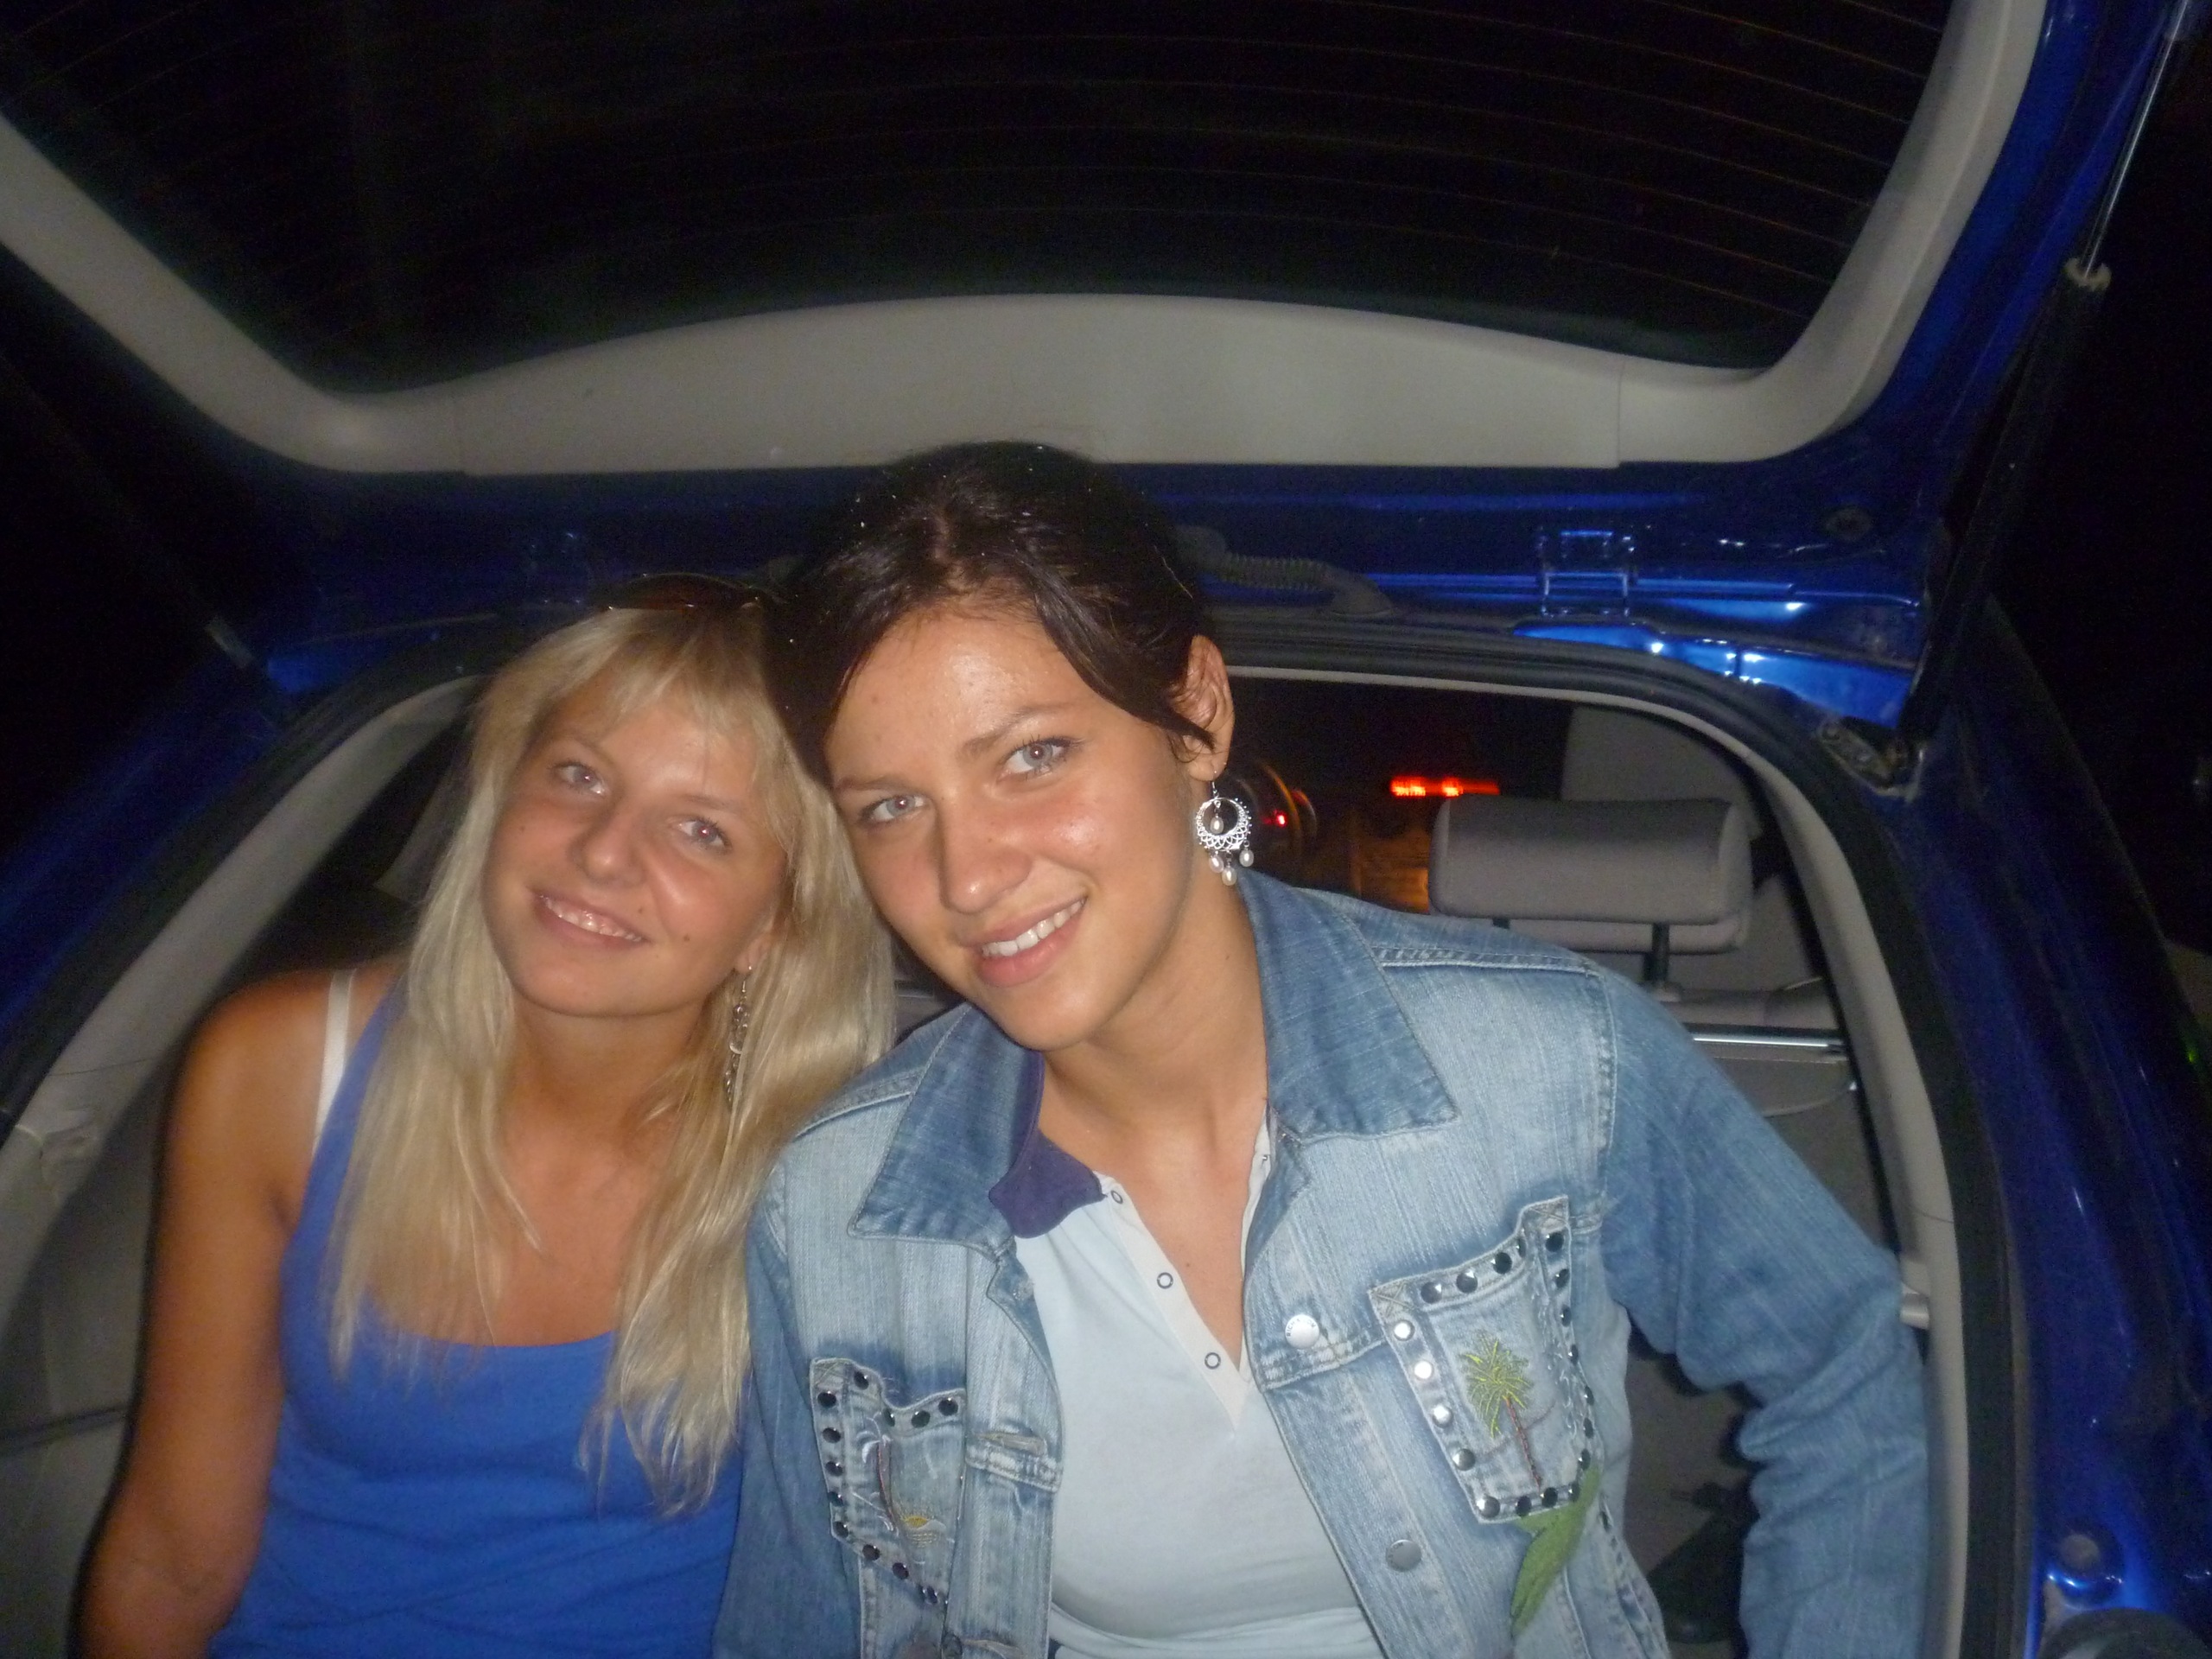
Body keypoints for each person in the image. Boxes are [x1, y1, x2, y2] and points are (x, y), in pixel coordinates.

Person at [718, 443, 1927, 1659]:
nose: (967, 876)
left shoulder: (1549, 1063)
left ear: (1196, 715)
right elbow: (801, 1622)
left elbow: (1843, 1367)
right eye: (892, 807)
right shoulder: (836, 1209)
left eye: (1032, 756)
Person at [84, 595, 892, 1657]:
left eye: (702, 830)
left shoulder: (837, 1164)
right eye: (579, 776)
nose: (604, 852)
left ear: (772, 926)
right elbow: (171, 1556)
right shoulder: (283, 1073)